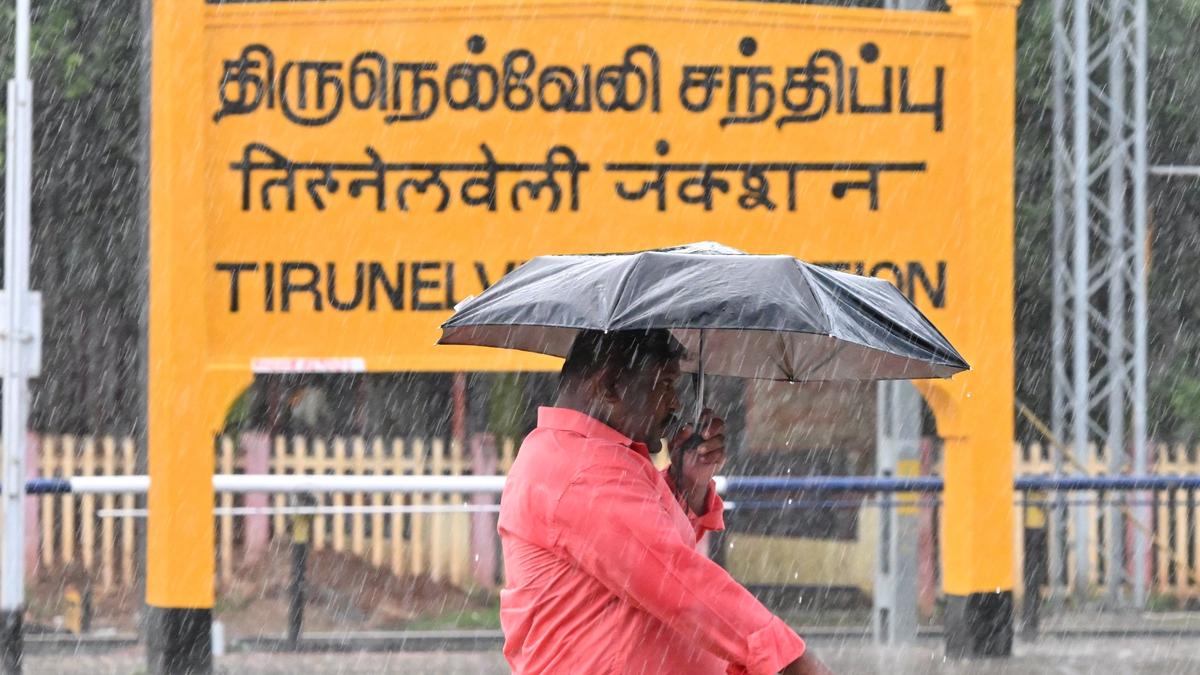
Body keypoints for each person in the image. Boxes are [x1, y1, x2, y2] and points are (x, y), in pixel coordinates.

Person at [498, 329, 833, 674]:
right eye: (665, 385)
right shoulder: (580, 471)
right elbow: (676, 580)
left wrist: (687, 483)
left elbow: (645, 550)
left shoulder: (588, 457)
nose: (674, 404)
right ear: (611, 386)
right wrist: (791, 660)